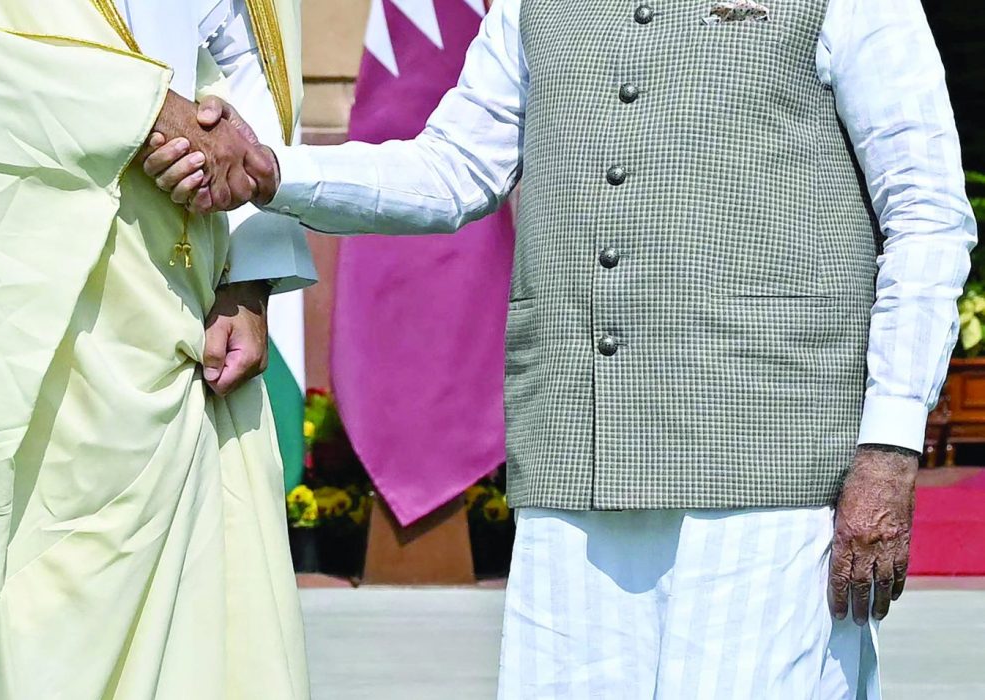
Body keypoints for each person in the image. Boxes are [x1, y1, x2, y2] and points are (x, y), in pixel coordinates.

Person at [147, 0, 977, 696]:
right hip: (574, 479)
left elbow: (928, 214)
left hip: (773, 483)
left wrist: (891, 447)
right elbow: (453, 169)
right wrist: (271, 174)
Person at [0, 0, 312, 697]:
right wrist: (136, 111)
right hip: (0, 313)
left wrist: (254, 267)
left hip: (187, 301)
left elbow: (245, 45)